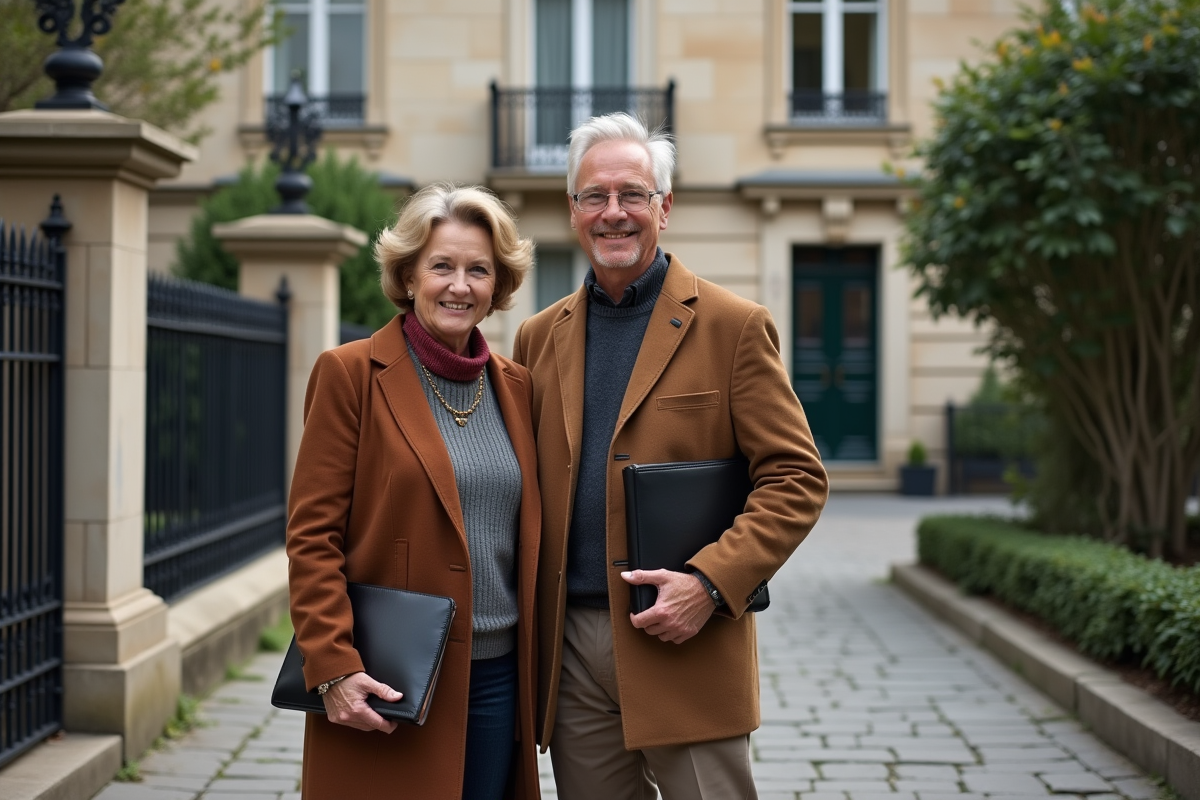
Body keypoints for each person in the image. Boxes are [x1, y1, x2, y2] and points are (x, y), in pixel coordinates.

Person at [512, 113, 830, 799]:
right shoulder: (538, 338)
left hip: (684, 636)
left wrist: (711, 584)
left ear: (666, 206)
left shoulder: (733, 326)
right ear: (572, 212)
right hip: (570, 651)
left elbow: (797, 478)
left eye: (633, 194)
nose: (614, 213)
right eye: (594, 196)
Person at [286, 183, 541, 800]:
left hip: (497, 679)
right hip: (389, 676)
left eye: (478, 269)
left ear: (498, 286)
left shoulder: (518, 388)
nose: (460, 285)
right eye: (441, 267)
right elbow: (311, 537)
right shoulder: (350, 375)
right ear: (407, 276)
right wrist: (334, 667)